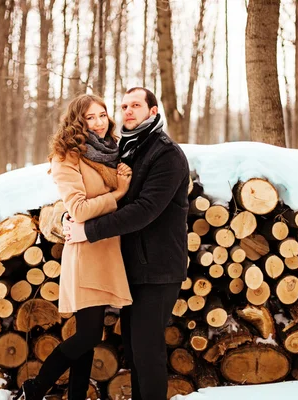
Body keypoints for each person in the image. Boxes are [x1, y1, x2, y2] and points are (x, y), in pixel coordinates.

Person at [64, 87, 190, 400]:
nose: (128, 111)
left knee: (148, 353)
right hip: (133, 267)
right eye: (123, 106)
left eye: (136, 105)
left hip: (159, 270)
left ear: (153, 112)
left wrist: (88, 231)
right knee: (135, 353)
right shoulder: (128, 149)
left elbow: (144, 210)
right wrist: (68, 219)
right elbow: (94, 194)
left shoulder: (166, 154)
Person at [16, 94, 133, 400]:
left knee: (87, 336)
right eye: (90, 117)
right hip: (86, 253)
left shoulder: (114, 150)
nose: (98, 122)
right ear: (77, 122)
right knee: (89, 334)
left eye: (102, 115)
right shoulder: (66, 157)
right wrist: (118, 193)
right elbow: (79, 209)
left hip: (108, 249)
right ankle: (36, 387)